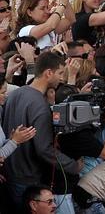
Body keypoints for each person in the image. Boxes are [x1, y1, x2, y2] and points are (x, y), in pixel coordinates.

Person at [2, 52, 81, 205]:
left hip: (9, 172)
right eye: (59, 73)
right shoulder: (40, 105)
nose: (61, 78)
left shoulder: (16, 93)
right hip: (27, 177)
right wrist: (72, 165)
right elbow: (44, 149)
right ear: (48, 73)